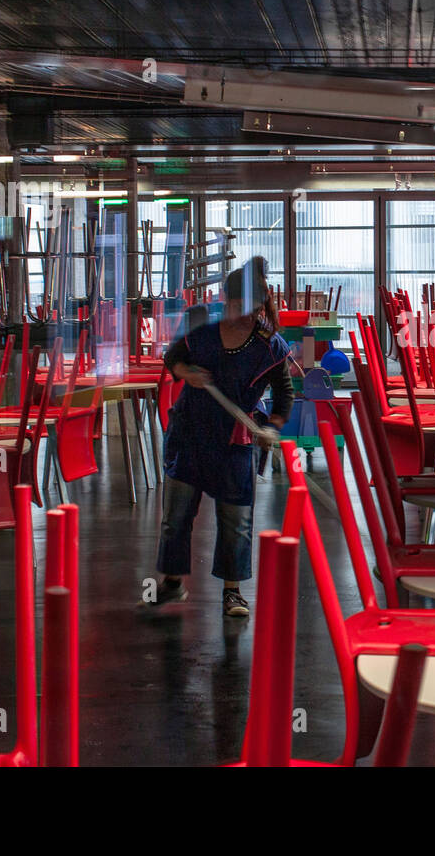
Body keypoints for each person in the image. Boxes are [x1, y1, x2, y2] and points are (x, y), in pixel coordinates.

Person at [148, 257, 293, 617]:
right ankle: (170, 584)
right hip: (190, 434)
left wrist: (272, 427)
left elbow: (284, 392)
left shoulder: (269, 346)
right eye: (234, 305)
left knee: (236, 519)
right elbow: (173, 358)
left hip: (236, 438)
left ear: (259, 307)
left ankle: (233, 592)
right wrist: (187, 372)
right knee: (176, 515)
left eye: (249, 308)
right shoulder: (203, 335)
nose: (241, 313)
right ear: (225, 300)